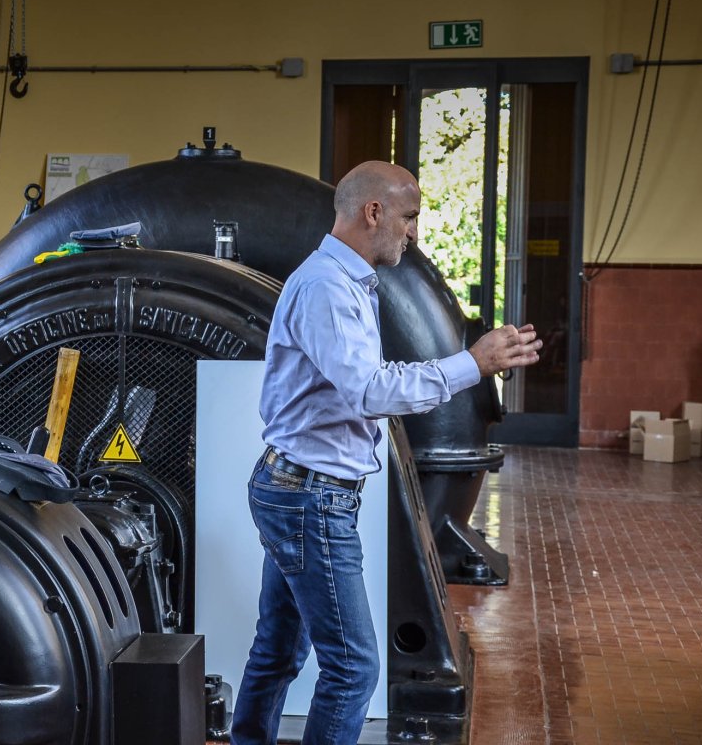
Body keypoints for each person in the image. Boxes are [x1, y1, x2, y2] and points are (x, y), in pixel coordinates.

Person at [230, 161, 541, 745]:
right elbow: (369, 390)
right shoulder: (326, 286)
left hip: (298, 488)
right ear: (373, 212)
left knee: (278, 648)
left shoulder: (347, 281)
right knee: (354, 669)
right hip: (309, 497)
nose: (414, 232)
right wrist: (472, 364)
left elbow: (365, 380)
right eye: (409, 217)